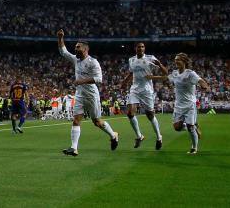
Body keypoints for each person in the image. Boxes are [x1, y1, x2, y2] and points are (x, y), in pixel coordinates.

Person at [57, 29, 118, 157]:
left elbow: (99, 79)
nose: (75, 49)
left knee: (97, 122)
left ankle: (113, 135)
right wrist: (60, 38)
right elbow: (63, 52)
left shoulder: (93, 62)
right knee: (76, 120)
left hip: (91, 95)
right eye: (75, 47)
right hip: (79, 94)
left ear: (85, 49)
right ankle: (74, 148)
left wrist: (81, 81)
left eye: (78, 47)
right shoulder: (76, 60)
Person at [147, 53, 209, 154]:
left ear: (184, 61)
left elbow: (201, 80)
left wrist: (204, 86)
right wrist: (152, 77)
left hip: (190, 104)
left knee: (190, 127)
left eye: (178, 60)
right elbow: (166, 78)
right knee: (177, 128)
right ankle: (194, 127)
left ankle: (194, 147)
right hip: (179, 105)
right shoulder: (175, 73)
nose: (176, 61)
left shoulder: (190, 73)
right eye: (175, 60)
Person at [120, 42, 163, 150]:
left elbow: (165, 72)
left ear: (144, 48)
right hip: (135, 89)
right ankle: (139, 136)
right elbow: (131, 73)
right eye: (139, 47)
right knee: (130, 113)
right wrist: (125, 82)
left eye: (142, 46)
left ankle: (159, 137)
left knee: (150, 115)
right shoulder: (131, 60)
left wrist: (160, 65)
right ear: (135, 48)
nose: (141, 48)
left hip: (147, 90)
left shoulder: (150, 58)